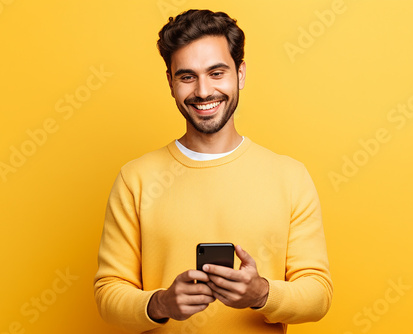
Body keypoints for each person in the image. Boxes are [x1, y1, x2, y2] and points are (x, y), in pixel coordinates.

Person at [94, 9, 333, 334]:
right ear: (171, 82)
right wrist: (162, 303)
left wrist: (261, 293)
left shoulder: (290, 177)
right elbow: (108, 294)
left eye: (217, 73)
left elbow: (318, 294)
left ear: (240, 73)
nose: (203, 91)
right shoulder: (135, 179)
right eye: (187, 76)